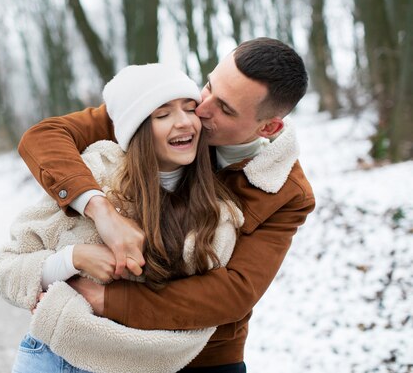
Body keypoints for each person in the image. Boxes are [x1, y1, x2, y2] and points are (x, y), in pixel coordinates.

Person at [17, 37, 316, 372]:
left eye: (226, 109)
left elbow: (233, 291)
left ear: (269, 127)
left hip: (205, 358)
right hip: (105, 348)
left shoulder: (285, 192)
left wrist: (104, 300)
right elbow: (45, 137)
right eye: (209, 86)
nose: (201, 111)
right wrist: (101, 210)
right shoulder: (170, 108)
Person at [0, 64, 243, 373]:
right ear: (134, 129)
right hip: (54, 359)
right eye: (162, 115)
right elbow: (7, 270)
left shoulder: (215, 213)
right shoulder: (95, 176)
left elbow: (202, 316)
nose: (183, 123)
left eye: (191, 109)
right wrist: (74, 258)